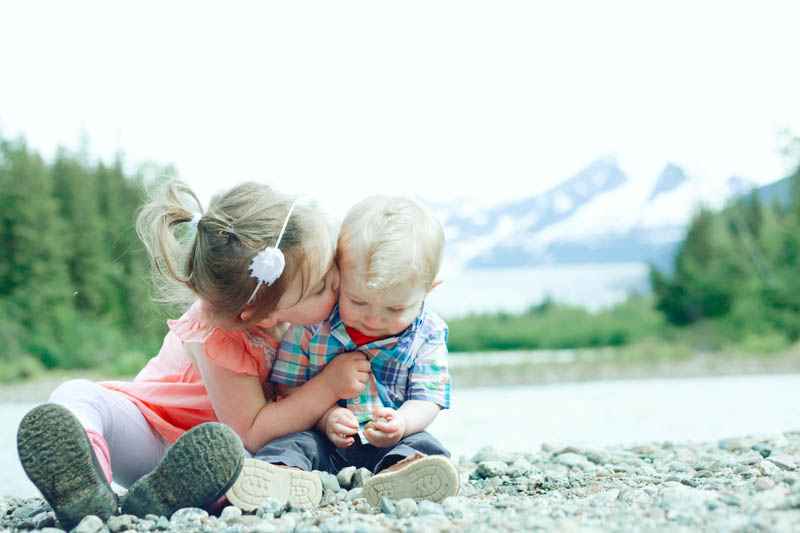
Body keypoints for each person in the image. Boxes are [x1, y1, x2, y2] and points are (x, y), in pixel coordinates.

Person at [16, 180, 370, 529]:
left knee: (254, 466)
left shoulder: (302, 319)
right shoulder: (219, 333)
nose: (337, 283)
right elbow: (253, 429)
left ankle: (157, 498)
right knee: (75, 394)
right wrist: (328, 387)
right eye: (321, 286)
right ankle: (87, 484)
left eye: (331, 267)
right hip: (151, 433)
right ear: (262, 313)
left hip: (208, 460)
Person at [225, 195, 459, 510]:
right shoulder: (313, 324)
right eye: (359, 302)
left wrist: (401, 423)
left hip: (388, 441)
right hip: (323, 439)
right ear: (339, 277)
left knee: (422, 445)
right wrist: (325, 417)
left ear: (427, 290)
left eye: (395, 308)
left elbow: (428, 397)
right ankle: (282, 476)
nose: (374, 319)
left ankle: (401, 474)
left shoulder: (428, 333)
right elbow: (286, 383)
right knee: (293, 442)